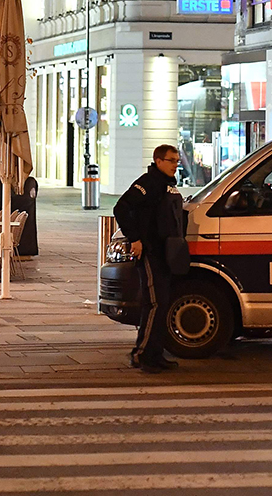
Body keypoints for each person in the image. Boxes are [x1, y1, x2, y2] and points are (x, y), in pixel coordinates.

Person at [113, 143, 187, 373]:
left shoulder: (167, 185)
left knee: (161, 303)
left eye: (177, 160)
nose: (176, 164)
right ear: (159, 161)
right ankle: (143, 354)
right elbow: (121, 208)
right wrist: (135, 238)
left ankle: (155, 353)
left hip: (165, 253)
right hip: (151, 252)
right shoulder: (148, 183)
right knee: (155, 303)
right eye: (172, 160)